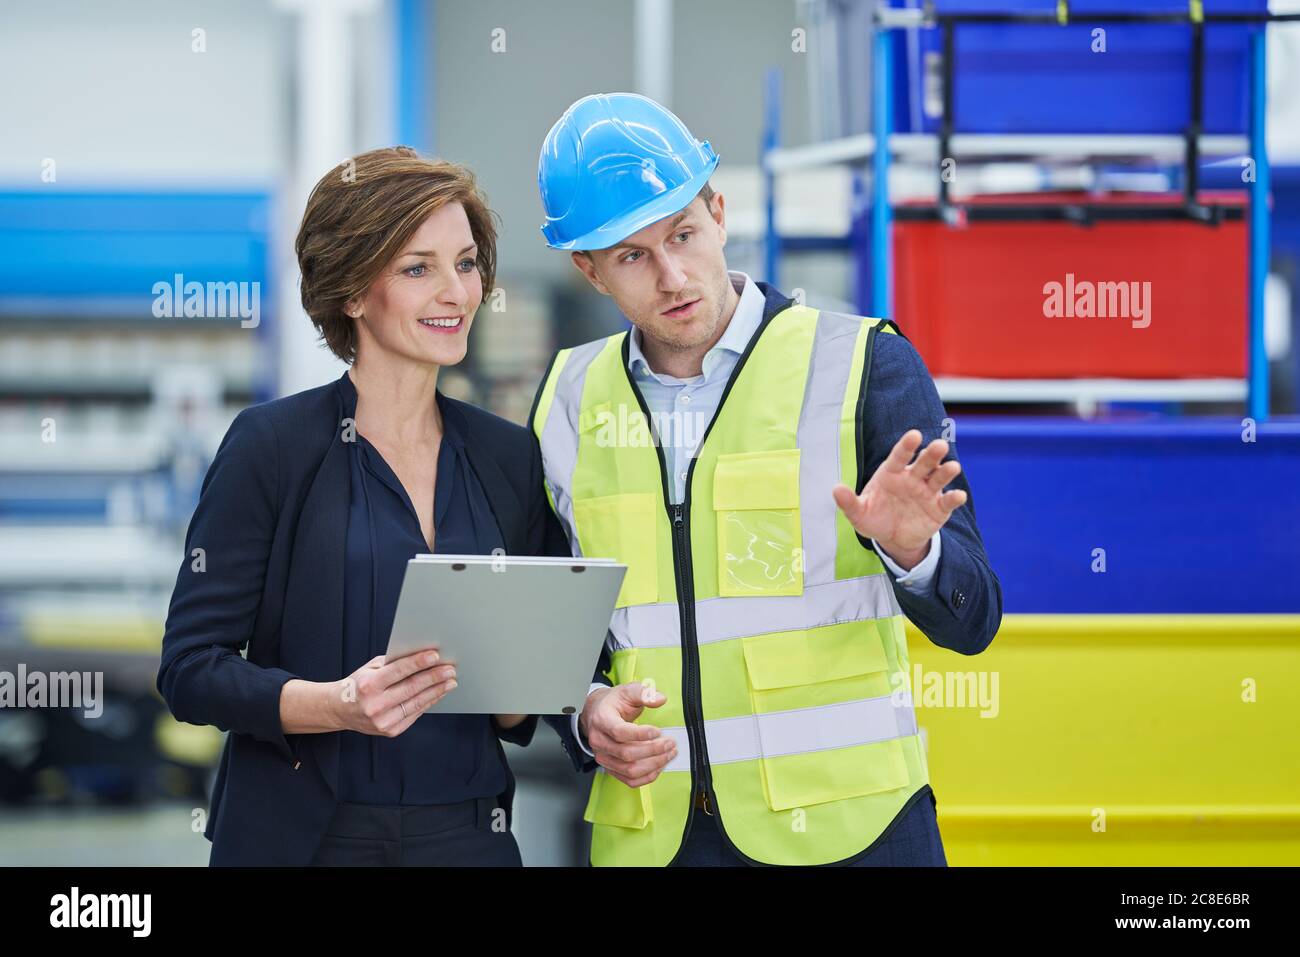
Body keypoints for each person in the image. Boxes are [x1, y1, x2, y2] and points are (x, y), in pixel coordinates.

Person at [533, 94, 1002, 866]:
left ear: (719, 212)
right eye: (632, 256)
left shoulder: (863, 365)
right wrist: (584, 712)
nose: (673, 274)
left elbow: (974, 618)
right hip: (659, 840)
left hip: (855, 832)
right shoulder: (566, 403)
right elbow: (555, 628)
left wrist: (915, 555)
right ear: (588, 269)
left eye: (683, 233)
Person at [158, 147, 564, 866]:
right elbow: (191, 669)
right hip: (305, 839)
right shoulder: (273, 446)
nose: (456, 292)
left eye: (466, 264)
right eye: (418, 268)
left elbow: (518, 701)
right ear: (351, 292)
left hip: (468, 838)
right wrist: (336, 704)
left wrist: (535, 681)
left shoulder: (507, 454)